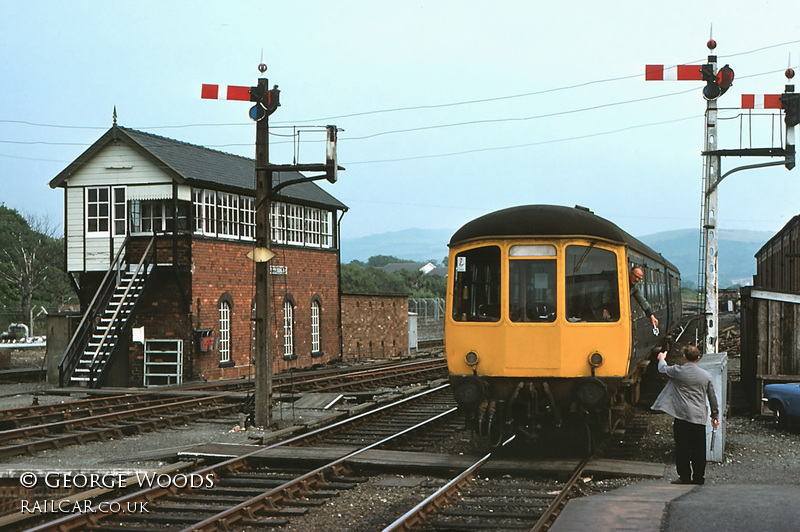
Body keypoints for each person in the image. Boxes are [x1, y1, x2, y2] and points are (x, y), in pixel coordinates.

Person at [651, 345, 720, 485]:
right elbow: (712, 397)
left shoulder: (678, 371)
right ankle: (699, 477)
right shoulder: (706, 376)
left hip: (682, 415)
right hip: (699, 417)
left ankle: (684, 476)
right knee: (699, 449)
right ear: (698, 358)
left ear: (684, 357)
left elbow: (662, 369)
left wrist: (661, 358)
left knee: (682, 447)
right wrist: (715, 416)